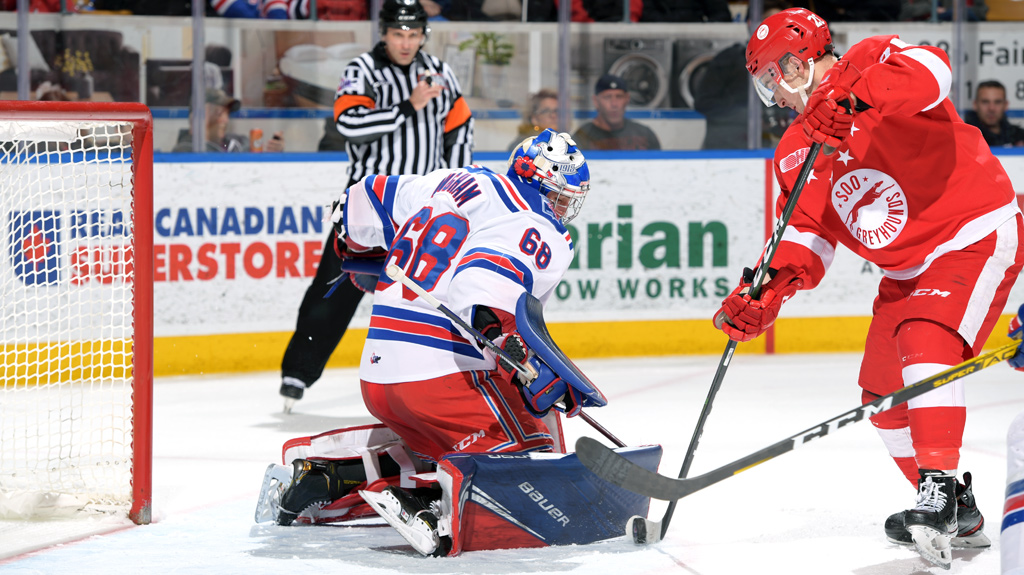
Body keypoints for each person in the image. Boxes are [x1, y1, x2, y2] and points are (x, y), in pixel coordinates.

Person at [726, 7, 1023, 568]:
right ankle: (956, 508)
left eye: (774, 79)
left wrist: (856, 98)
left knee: (924, 336)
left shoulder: (869, 60)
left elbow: (934, 72)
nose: (775, 95)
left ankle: (934, 492)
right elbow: (808, 234)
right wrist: (769, 290)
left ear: (797, 63)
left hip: (972, 232)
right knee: (883, 401)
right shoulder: (795, 148)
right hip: (906, 270)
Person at [262, 130, 649, 557]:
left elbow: (363, 196)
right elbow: (481, 289)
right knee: (534, 452)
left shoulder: (456, 179)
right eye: (558, 195)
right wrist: (515, 352)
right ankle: (427, 506)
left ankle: (334, 476)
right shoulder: (539, 228)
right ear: (536, 182)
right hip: (439, 378)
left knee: (446, 449)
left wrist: (351, 245)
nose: (563, 207)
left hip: (379, 378)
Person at [279, 0, 474, 412]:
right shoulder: (361, 71)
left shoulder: (441, 73)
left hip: (423, 210)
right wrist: (408, 107)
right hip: (368, 206)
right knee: (334, 290)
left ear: (424, 35)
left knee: (432, 295)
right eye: (398, 34)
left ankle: (440, 377)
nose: (406, 43)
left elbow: (460, 128)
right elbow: (349, 125)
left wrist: (455, 182)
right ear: (384, 33)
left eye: (414, 35)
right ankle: (298, 372)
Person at [171, 88, 285, 153]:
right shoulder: (184, 151)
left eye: (227, 113)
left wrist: (273, 154)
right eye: (219, 113)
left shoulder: (239, 142)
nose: (225, 120)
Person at [572, 74, 661, 151]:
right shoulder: (582, 137)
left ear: (627, 99)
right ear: (596, 101)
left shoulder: (645, 134)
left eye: (619, 97)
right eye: (607, 97)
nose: (614, 104)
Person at [965, 80, 1024, 148]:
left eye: (997, 102)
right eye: (985, 102)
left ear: (1005, 105)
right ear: (975, 104)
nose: (991, 108)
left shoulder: (1019, 136)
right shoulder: (963, 138)